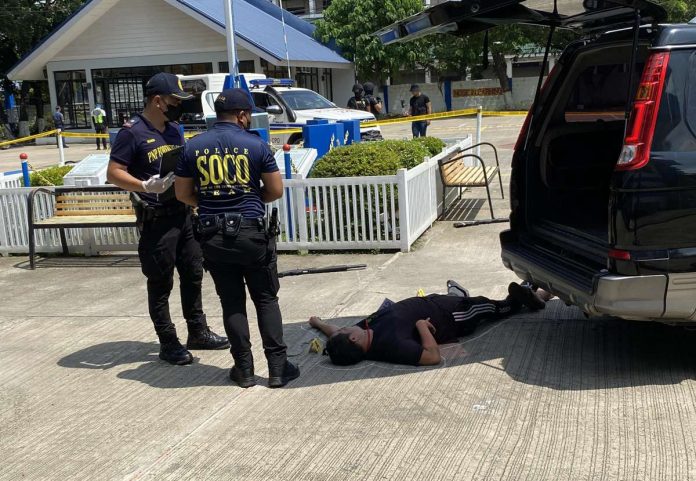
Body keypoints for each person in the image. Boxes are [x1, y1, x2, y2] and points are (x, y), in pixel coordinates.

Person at [174, 88, 300, 389]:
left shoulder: (193, 147)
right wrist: (250, 197)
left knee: (231, 302)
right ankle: (278, 368)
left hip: (212, 235)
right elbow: (275, 190)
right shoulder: (255, 145)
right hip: (251, 233)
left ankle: (243, 369)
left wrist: (208, 203)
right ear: (242, 115)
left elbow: (182, 194)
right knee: (266, 298)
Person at [107, 72, 228, 366]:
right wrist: (145, 186)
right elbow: (113, 173)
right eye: (175, 100)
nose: (178, 105)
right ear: (158, 101)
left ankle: (197, 331)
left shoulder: (174, 129)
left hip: (183, 215)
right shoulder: (131, 132)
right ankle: (167, 340)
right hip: (156, 219)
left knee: (193, 275)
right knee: (161, 282)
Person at [309, 281, 550, 366]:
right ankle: (527, 300)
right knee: (493, 307)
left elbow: (334, 333)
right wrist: (422, 327)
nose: (345, 327)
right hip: (455, 317)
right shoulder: (391, 345)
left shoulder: (364, 331)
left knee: (477, 301)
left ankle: (537, 295)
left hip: (437, 303)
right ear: (353, 339)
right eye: (344, 330)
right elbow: (432, 357)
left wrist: (318, 322)